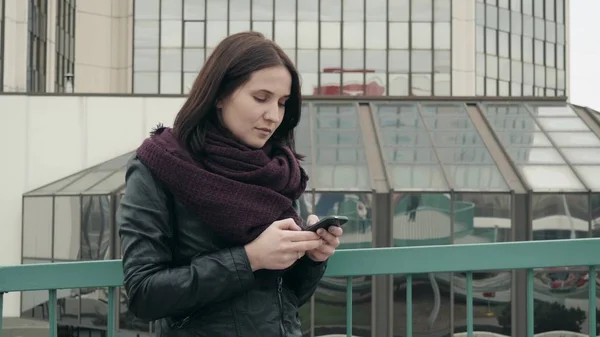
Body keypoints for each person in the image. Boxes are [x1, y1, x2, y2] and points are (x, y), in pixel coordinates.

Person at [117, 31, 343, 337]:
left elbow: (284, 300)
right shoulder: (159, 166)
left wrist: (313, 259)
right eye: (261, 98)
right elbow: (144, 294)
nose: (273, 115)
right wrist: (250, 258)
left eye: (282, 103)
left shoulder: (279, 171)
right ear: (220, 94)